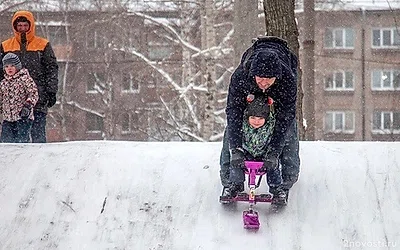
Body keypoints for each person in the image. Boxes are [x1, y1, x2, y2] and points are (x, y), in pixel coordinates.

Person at [220, 36, 300, 206]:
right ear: (253, 74)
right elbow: (233, 112)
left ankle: (284, 182)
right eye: (260, 78)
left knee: (289, 130)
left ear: (276, 77)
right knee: (231, 129)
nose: (264, 83)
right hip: (248, 97)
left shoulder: (287, 80)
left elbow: (285, 117)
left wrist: (273, 152)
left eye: (268, 79)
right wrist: (236, 148)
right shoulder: (240, 77)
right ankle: (230, 182)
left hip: (278, 99)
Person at [0, 10, 59, 143]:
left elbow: (51, 69)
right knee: (11, 143)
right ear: (15, 27)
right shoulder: (5, 46)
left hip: (38, 98)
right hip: (13, 103)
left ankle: (39, 163)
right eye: (19, 26)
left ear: (31, 26)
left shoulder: (42, 45)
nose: (22, 29)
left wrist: (51, 91)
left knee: (38, 138)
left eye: (25, 26)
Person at [0, 53, 39, 143]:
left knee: (21, 141)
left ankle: (23, 154)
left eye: (12, 66)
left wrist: (28, 105)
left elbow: (33, 93)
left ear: (17, 66)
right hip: (8, 118)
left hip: (23, 117)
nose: (9, 68)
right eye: (6, 66)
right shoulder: (3, 83)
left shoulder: (25, 79)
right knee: (6, 142)